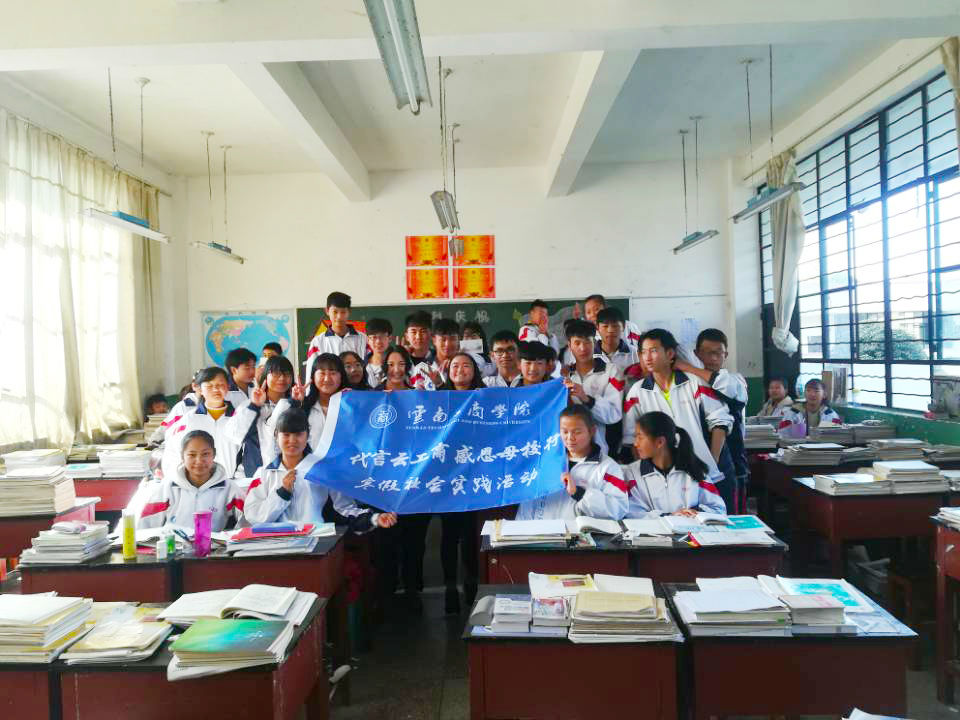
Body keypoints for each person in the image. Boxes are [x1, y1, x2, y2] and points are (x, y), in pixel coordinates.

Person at [621, 329, 734, 510]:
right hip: (666, 476)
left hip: (704, 471)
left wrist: (712, 460)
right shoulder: (637, 392)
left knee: (716, 517)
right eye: (643, 352)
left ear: (670, 354)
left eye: (654, 350)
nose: (647, 357)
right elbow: (632, 438)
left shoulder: (694, 382)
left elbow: (720, 422)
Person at [244, 408, 398, 532]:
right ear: (276, 435)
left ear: (307, 435)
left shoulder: (323, 471)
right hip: (275, 547)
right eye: (286, 434)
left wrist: (374, 519)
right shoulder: (264, 474)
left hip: (315, 544)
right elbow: (254, 517)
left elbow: (344, 509)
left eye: (298, 434)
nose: (292, 441)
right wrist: (282, 494)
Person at [373, 344, 430, 609]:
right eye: (391, 364)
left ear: (408, 367)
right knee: (386, 540)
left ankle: (412, 590)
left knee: (414, 541)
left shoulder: (418, 395)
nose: (396, 370)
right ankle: (386, 591)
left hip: (415, 480)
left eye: (401, 364)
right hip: (383, 481)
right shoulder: (371, 396)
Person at [676, 329, 748, 514]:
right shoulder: (691, 383)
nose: (713, 358)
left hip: (732, 459)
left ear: (726, 355)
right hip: (701, 462)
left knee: (732, 515)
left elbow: (721, 384)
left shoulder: (735, 380)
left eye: (718, 353)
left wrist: (687, 366)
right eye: (707, 353)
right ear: (697, 354)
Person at [515, 405, 628, 521]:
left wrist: (579, 493)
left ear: (592, 431)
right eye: (565, 431)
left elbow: (619, 509)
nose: (570, 438)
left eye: (577, 432)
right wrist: (521, 529)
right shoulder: (545, 461)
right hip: (541, 531)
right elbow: (527, 504)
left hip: (579, 532)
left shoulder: (608, 468)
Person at [437, 352, 484, 614]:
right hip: (447, 478)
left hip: (477, 477)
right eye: (455, 366)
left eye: (466, 366)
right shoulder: (437, 398)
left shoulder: (487, 397)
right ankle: (449, 587)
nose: (460, 370)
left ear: (474, 371)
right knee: (449, 535)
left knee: (471, 535)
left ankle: (471, 582)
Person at [622, 411, 726, 518]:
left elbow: (719, 509)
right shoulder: (632, 473)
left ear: (660, 442)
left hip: (691, 528)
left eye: (640, 437)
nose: (635, 444)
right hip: (653, 529)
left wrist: (695, 513)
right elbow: (631, 513)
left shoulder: (693, 468)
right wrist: (669, 516)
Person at [139, 430, 245, 530]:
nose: (199, 461)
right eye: (192, 455)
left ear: (214, 454)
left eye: (205, 454)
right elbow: (144, 528)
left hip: (214, 543)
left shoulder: (229, 489)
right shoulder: (167, 488)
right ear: (182, 456)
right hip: (174, 543)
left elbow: (247, 524)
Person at [160, 367, 245, 480]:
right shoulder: (189, 420)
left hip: (230, 482)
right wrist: (181, 479)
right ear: (200, 389)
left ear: (228, 387)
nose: (215, 389)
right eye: (209, 386)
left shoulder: (239, 419)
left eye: (220, 384)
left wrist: (239, 478)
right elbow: (172, 452)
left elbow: (248, 452)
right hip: (196, 483)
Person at [562, 319, 624, 457]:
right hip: (568, 452)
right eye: (577, 343)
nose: (583, 348)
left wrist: (586, 399)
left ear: (595, 343)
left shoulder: (612, 371)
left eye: (587, 342)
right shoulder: (564, 375)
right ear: (569, 346)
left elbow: (614, 414)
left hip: (602, 452)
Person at [233, 355, 297, 476]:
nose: (282, 378)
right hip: (255, 474)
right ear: (265, 376)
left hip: (288, 474)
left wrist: (296, 402)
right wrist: (255, 406)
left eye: (287, 374)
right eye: (276, 374)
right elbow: (236, 435)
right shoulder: (249, 405)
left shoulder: (296, 405)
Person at [304, 292, 368, 382]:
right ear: (327, 311)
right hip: (329, 388)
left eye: (343, 312)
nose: (339, 317)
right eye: (335, 312)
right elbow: (311, 372)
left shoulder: (363, 339)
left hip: (356, 389)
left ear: (349, 312)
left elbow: (369, 367)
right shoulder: (318, 342)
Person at [778, 378, 842, 435]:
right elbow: (782, 433)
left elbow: (836, 435)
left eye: (816, 391)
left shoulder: (830, 414)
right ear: (804, 393)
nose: (812, 394)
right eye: (808, 390)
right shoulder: (793, 412)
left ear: (824, 394)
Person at [595, 307, 639, 373]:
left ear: (623, 327)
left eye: (615, 326)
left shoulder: (634, 353)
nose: (610, 330)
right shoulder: (589, 354)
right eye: (605, 326)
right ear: (597, 328)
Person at [364, 317, 394, 389]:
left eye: (382, 336)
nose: (378, 341)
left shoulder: (399, 364)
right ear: (368, 340)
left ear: (390, 338)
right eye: (374, 337)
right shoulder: (362, 366)